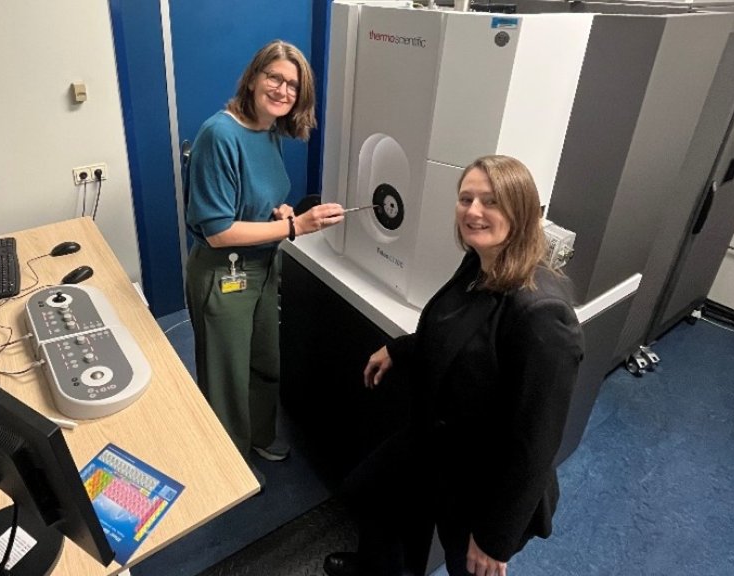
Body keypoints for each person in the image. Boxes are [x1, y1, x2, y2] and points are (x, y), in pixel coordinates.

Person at [323, 155, 584, 576]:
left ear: (520, 211)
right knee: (369, 492)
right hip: (436, 442)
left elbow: (534, 445)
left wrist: (494, 539)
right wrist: (401, 350)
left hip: (480, 484)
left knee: (468, 564)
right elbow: (452, 330)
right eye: (466, 198)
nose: (473, 211)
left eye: (490, 201)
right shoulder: (480, 265)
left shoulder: (542, 313)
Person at [185, 40, 345, 470]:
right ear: (254, 77)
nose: (282, 89)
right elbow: (218, 231)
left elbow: (257, 201)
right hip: (224, 272)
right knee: (226, 377)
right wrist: (295, 226)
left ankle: (258, 435)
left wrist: (280, 212)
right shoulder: (219, 135)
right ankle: (228, 463)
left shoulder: (270, 131)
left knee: (264, 361)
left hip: (263, 266)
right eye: (274, 77)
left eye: (292, 84)